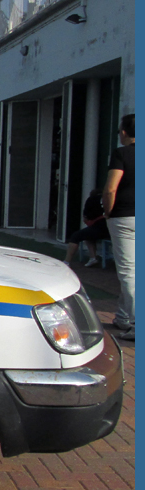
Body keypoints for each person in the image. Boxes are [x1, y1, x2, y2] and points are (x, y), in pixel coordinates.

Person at [103, 113, 134, 341]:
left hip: (124, 216)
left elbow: (111, 188)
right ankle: (124, 316)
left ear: (124, 131)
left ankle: (134, 321)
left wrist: (108, 211)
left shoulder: (121, 153)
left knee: (128, 271)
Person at [63, 189, 109, 266]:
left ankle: (67, 261)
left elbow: (86, 217)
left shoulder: (91, 200)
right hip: (114, 229)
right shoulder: (110, 199)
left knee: (75, 236)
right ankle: (93, 258)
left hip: (99, 228)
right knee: (88, 235)